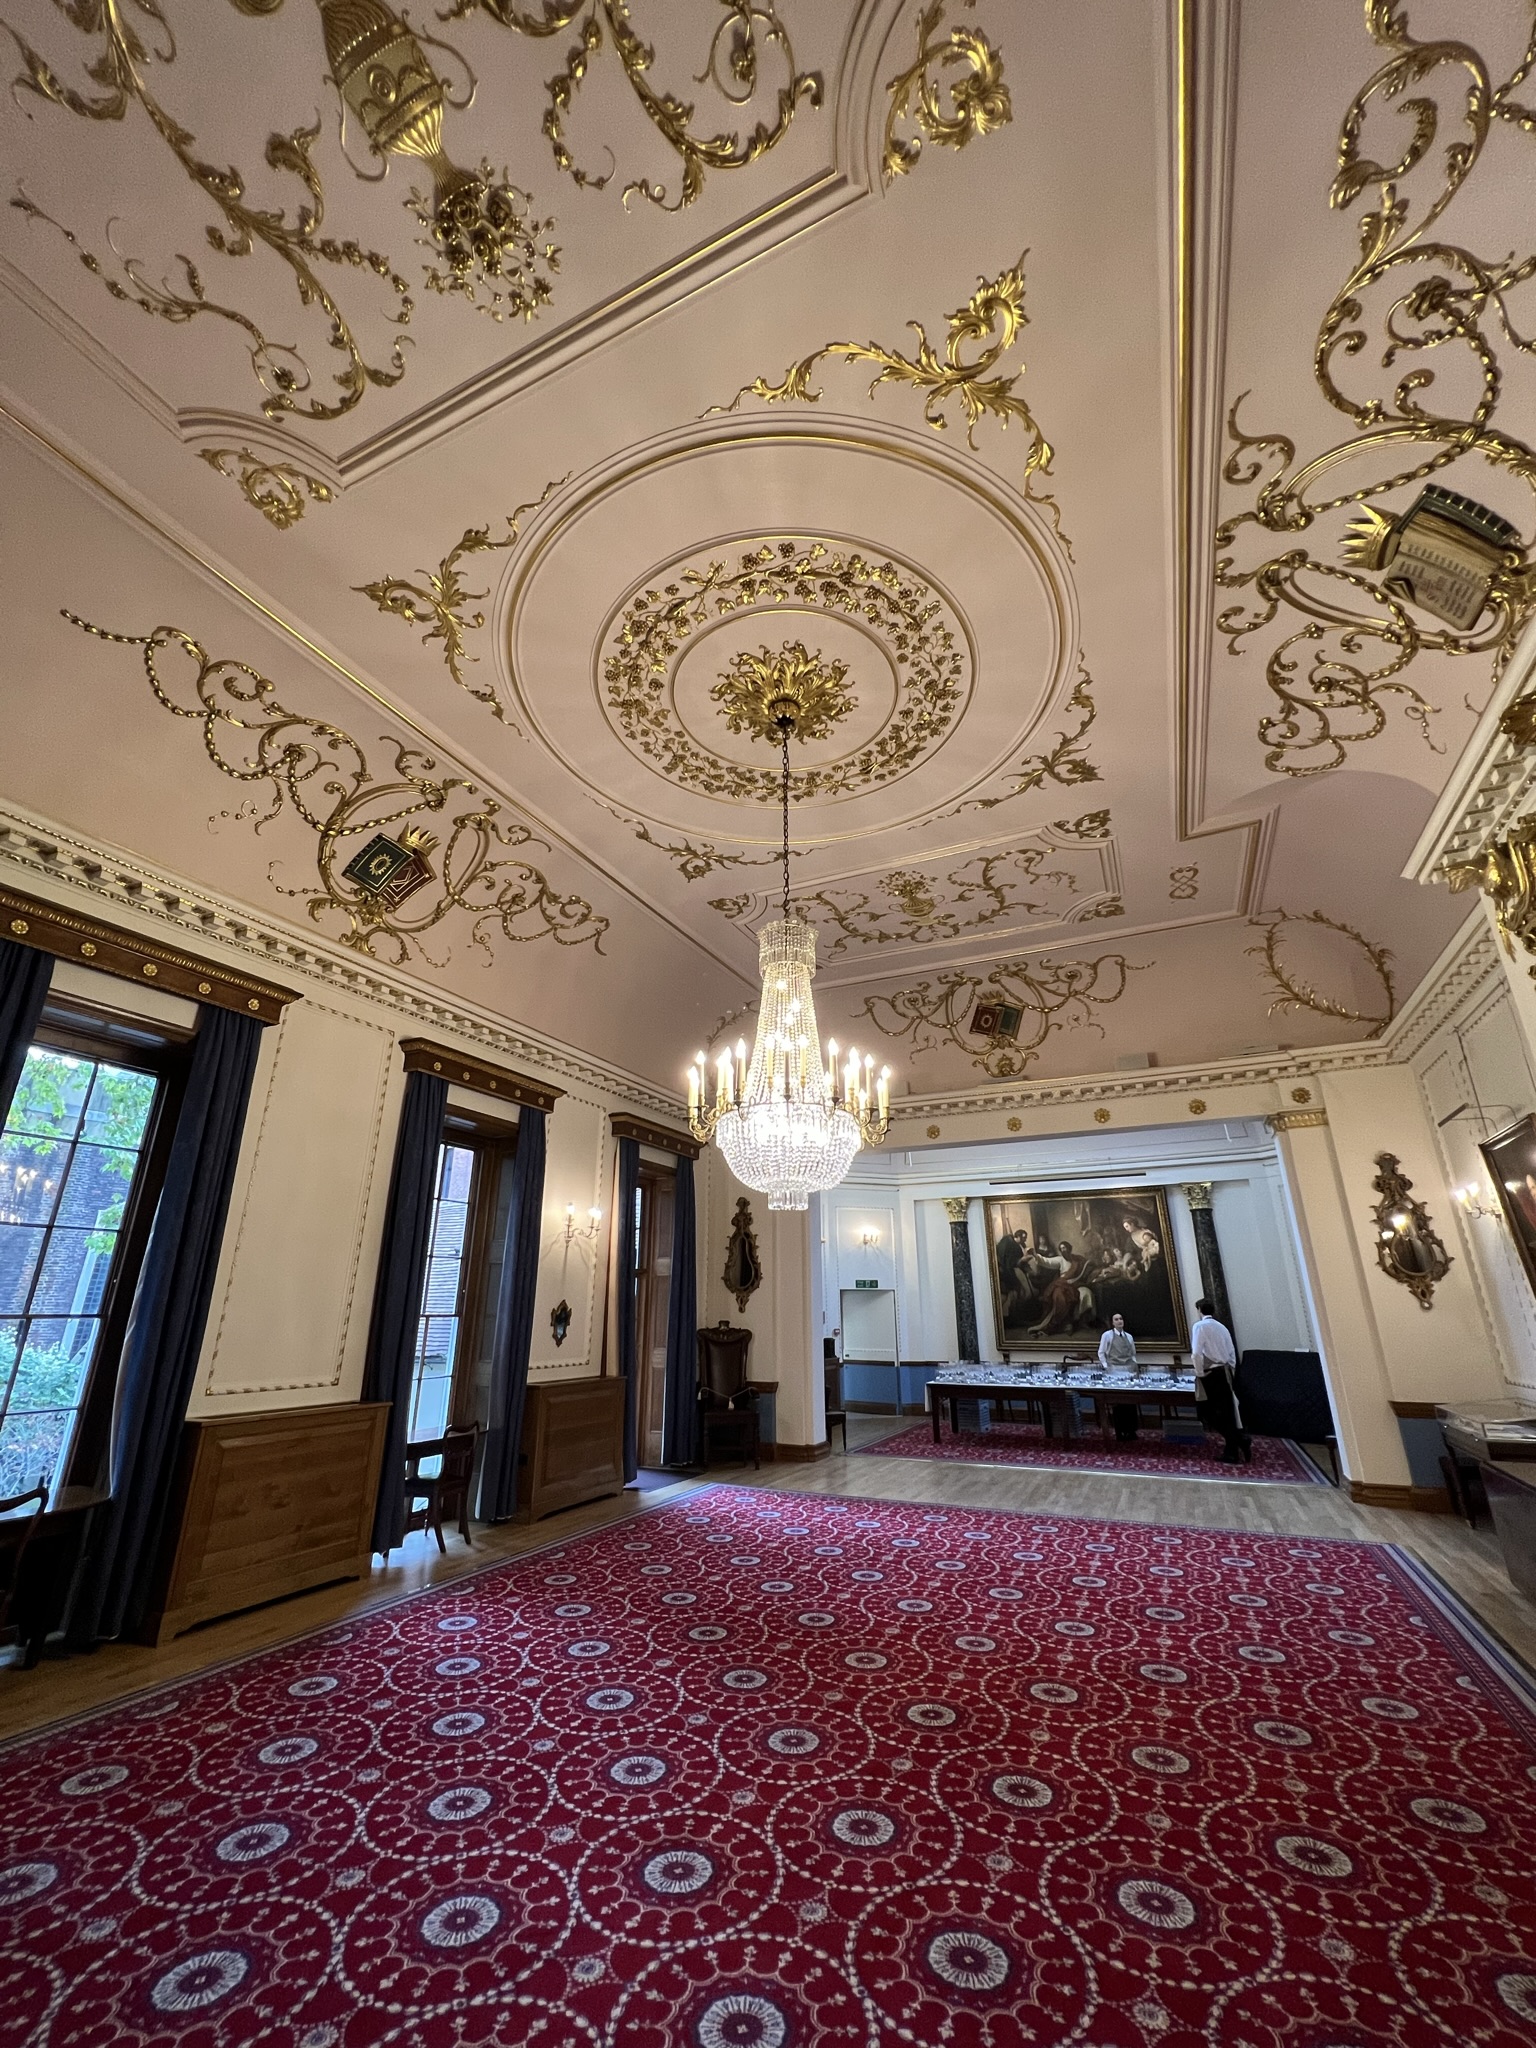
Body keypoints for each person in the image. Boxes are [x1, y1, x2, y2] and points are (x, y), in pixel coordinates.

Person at [1190, 1296, 1249, 1464]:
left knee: (1207, 1411)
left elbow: (1196, 1353)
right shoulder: (1222, 1327)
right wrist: (1231, 1370)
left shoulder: (1200, 1326)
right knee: (1226, 1412)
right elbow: (1231, 1351)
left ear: (1199, 1310)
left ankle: (1236, 1442)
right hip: (1225, 1372)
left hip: (1210, 1374)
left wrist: (1199, 1372)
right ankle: (1235, 1445)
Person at [1098, 1312, 1140, 1443]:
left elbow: (1133, 1353)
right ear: (1112, 1323)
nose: (1119, 1321)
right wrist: (1106, 1367)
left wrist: (1134, 1366)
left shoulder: (1129, 1336)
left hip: (1129, 1372)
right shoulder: (1107, 1336)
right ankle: (1119, 1431)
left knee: (1130, 1402)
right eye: (1116, 1319)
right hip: (1115, 1372)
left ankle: (1131, 1431)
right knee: (1118, 1403)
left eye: (1121, 1319)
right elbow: (1101, 1352)